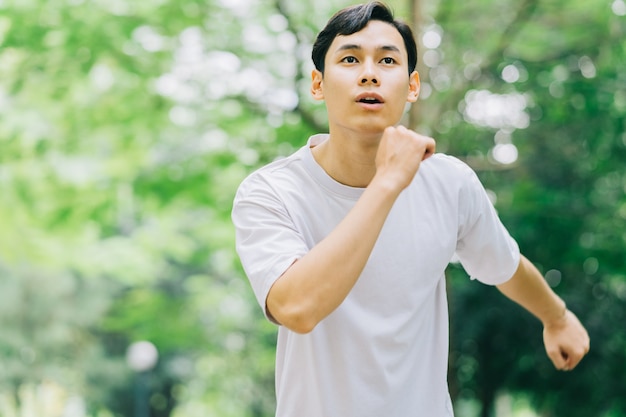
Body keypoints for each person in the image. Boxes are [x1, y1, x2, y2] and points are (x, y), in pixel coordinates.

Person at [231, 2, 590, 416]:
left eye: (387, 59)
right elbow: (296, 307)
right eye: (349, 59)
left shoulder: (448, 182)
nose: (369, 72)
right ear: (318, 84)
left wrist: (557, 318)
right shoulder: (271, 191)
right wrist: (387, 183)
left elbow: (505, 265)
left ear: (412, 85)